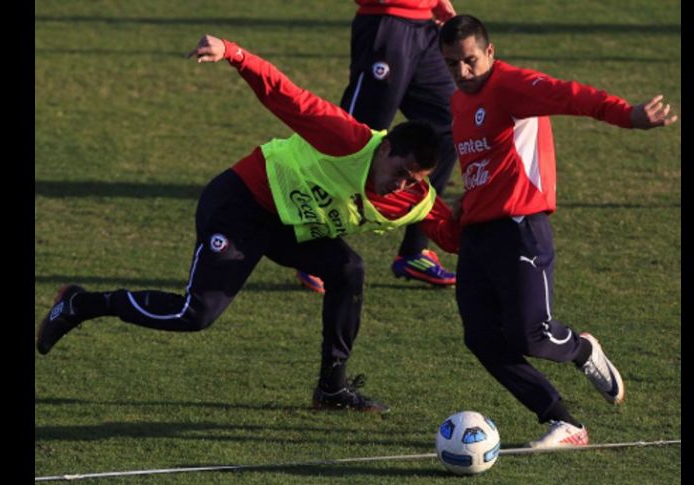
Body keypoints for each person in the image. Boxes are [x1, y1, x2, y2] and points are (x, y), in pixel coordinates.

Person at [36, 34, 460, 414]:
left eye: (412, 180)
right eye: (399, 172)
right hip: (240, 204)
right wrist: (234, 53)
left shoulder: (417, 201)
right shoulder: (345, 139)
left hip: (287, 230)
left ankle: (332, 388)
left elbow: (458, 237)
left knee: (348, 268)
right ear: (385, 148)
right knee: (194, 314)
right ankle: (80, 304)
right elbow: (287, 96)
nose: (399, 186)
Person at [437, 15, 677, 447]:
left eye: (470, 61)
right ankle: (562, 421)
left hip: (520, 228)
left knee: (531, 334)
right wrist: (464, 202)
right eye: (452, 64)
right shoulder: (458, 101)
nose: (462, 72)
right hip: (478, 236)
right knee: (482, 338)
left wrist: (629, 115)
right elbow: (484, 162)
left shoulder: (512, 86)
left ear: (490, 53)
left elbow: (572, 96)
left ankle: (583, 350)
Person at [295, 0, 459, 294]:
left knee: (452, 125)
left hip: (424, 26)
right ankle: (313, 249)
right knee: (355, 139)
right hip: (387, 24)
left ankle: (414, 252)